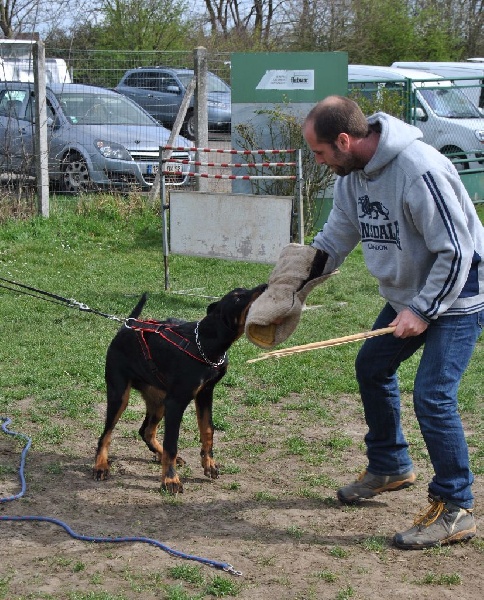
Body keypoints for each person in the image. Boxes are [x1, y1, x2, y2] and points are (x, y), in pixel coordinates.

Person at [303, 95, 484, 549]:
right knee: (373, 366)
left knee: (433, 395)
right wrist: (288, 288)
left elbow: (457, 251)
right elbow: (333, 241)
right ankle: (390, 466)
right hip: (411, 294)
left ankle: (456, 506)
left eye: (321, 153)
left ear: (344, 140)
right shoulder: (352, 178)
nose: (320, 162)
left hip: (459, 292)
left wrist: (423, 311)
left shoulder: (420, 169)